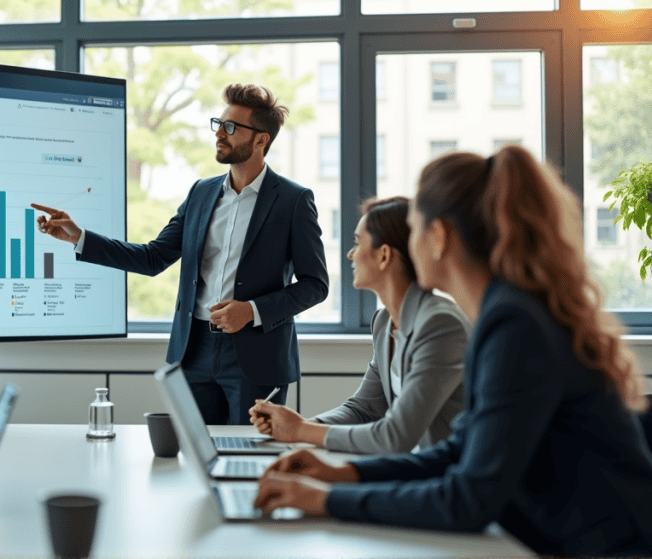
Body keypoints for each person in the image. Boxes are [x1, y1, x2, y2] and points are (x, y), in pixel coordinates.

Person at [253, 146, 652, 557]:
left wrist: (324, 500)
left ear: (438, 237)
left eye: (414, 228)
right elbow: (458, 450)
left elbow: (468, 499)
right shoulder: (505, 313)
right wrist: (343, 474)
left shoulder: (514, 323)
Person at [33, 84, 328, 424]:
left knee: (250, 454)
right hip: (193, 351)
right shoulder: (201, 193)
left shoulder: (293, 200)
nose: (219, 133)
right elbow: (153, 257)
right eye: (219, 123)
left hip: (257, 356)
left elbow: (315, 284)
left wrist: (251, 311)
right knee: (196, 455)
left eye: (231, 127)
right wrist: (79, 237)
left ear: (261, 140)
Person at [249, 197, 468, 454]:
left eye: (357, 242)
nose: (350, 254)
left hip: (449, 477)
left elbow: (395, 436)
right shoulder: (385, 321)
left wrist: (300, 431)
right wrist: (303, 425)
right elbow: (364, 409)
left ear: (384, 255)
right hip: (412, 470)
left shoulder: (441, 324)